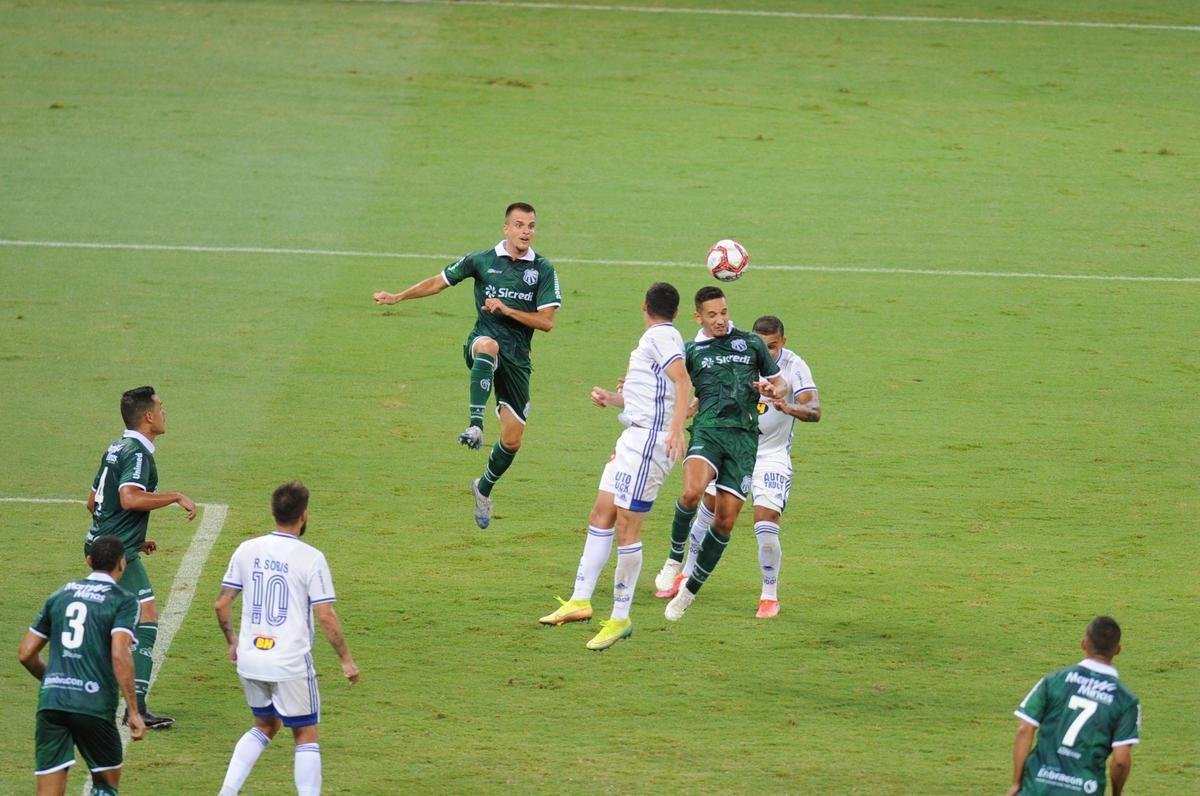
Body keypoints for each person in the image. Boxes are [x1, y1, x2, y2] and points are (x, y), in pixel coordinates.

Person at [373, 202, 562, 530]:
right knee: (488, 346)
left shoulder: (543, 270)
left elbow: (546, 322)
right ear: (506, 228)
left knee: (513, 440)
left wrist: (507, 310)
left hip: (518, 361)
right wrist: (398, 297)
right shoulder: (481, 260)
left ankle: (483, 487)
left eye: (531, 226)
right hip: (483, 343)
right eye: (519, 225)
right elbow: (438, 281)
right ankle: (475, 424)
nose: (526, 231)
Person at [538, 283, 692, 650]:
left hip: (649, 443)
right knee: (601, 513)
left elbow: (682, 381)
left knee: (627, 526)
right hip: (632, 439)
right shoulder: (655, 340)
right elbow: (652, 394)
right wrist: (613, 398)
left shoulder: (664, 338)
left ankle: (620, 617)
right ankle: (580, 599)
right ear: (677, 310)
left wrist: (674, 431)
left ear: (644, 306)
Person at [658, 315, 820, 618]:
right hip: (730, 444)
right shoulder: (739, 354)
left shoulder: (795, 367)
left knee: (766, 522)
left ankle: (769, 595)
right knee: (705, 505)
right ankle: (683, 575)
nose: (767, 353)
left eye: (773, 347)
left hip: (770, 455)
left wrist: (789, 407)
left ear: (783, 342)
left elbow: (814, 409)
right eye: (762, 346)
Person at [214, 481, 360, 796]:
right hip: (289, 662)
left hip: (251, 658)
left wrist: (232, 642)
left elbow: (222, 603)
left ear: (274, 512)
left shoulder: (246, 549)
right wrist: (346, 659)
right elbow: (325, 616)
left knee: (264, 725)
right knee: (306, 732)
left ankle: (226, 792)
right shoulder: (310, 558)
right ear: (303, 515)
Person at [83, 385, 197, 729]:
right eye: (161, 408)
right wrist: (175, 496)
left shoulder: (115, 447)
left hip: (108, 546)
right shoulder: (137, 453)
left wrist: (133, 538)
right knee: (145, 617)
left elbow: (94, 503)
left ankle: (106, 694)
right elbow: (130, 499)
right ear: (148, 416)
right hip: (114, 552)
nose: (164, 413)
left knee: (115, 620)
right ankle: (137, 708)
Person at [18, 535, 147, 796]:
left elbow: (26, 653)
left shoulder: (60, 595)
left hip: (52, 702)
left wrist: (53, 678)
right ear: (122, 563)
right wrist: (134, 710)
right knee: (105, 785)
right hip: (93, 704)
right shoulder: (123, 600)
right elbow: (120, 653)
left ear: (89, 561)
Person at [1008, 616, 1141, 796]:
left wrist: (1017, 783)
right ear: (1117, 650)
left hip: (1037, 787)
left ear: (1084, 644)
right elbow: (1120, 761)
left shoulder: (1054, 681)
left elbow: (1025, 728)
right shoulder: (1126, 701)